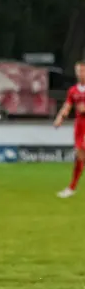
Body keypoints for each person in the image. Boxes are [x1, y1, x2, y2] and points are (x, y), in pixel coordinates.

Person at [54, 61, 85, 198]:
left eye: (82, 71)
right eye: (78, 71)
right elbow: (67, 106)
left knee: (82, 151)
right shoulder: (73, 90)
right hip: (79, 126)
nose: (80, 74)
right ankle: (72, 187)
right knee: (79, 156)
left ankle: (72, 187)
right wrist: (60, 118)